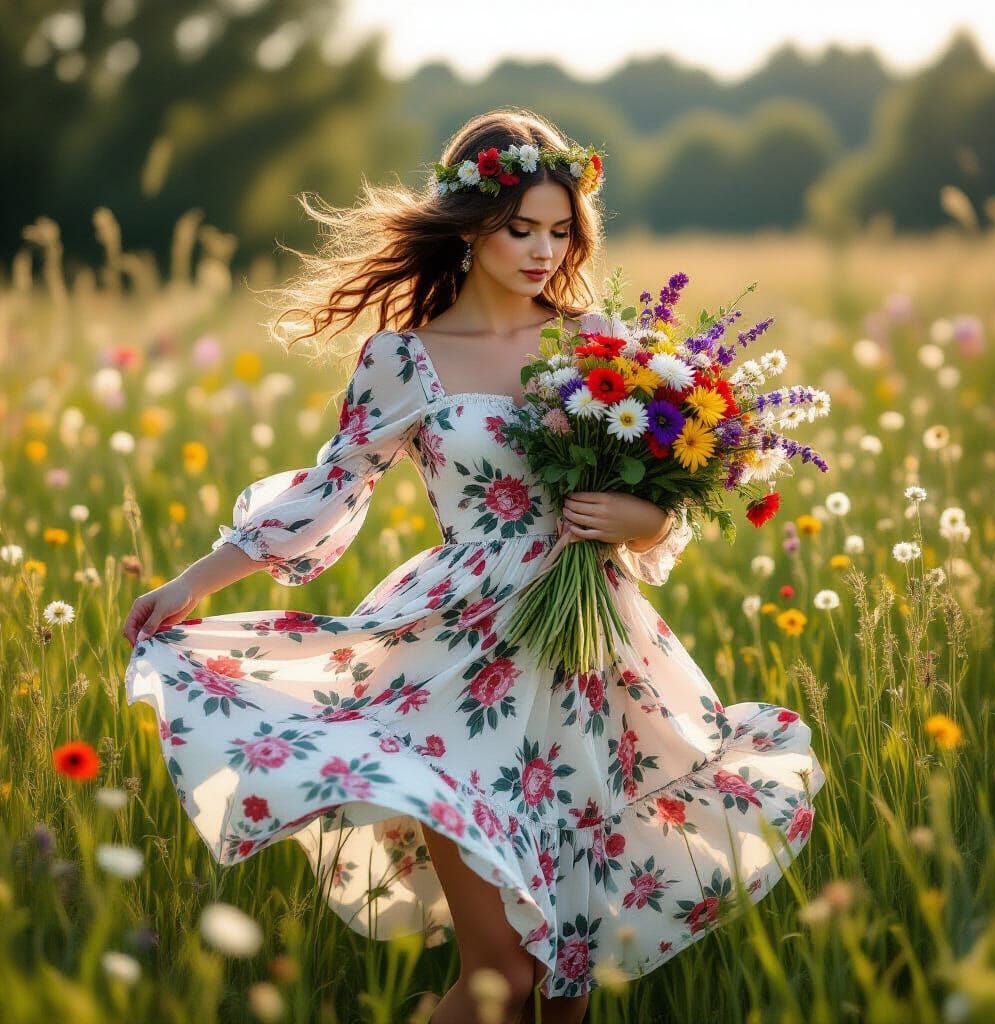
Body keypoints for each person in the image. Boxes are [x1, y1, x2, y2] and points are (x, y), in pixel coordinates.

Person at [122, 107, 825, 1024]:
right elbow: (327, 494)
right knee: (502, 979)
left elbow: (663, 503)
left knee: (569, 977)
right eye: (518, 228)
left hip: (592, 665)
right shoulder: (403, 360)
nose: (542, 250)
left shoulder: (599, 342)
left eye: (560, 230)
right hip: (459, 663)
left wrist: (642, 517)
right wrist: (189, 584)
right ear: (469, 224)